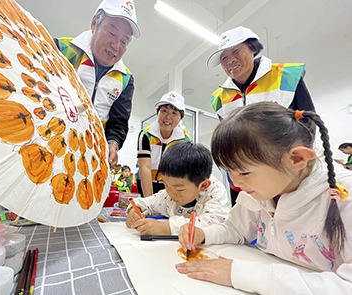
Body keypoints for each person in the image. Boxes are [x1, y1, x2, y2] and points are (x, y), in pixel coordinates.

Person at [176, 102, 352, 294]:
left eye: (244, 173)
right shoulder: (261, 190)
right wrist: (205, 234)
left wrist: (245, 275)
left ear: (296, 159)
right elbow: (235, 228)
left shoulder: (345, 196)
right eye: (229, 172)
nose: (234, 184)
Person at [207, 26, 316, 206]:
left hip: (284, 171)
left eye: (236, 51)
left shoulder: (286, 75)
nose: (230, 61)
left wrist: (291, 168)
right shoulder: (219, 98)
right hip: (244, 176)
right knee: (248, 221)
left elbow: (308, 123)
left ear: (252, 49)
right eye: (224, 58)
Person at [55, 0, 140, 168]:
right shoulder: (61, 51)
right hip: (52, 141)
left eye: (124, 42)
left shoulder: (125, 80)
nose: (116, 45)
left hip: (89, 155)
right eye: (112, 32)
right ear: (94, 23)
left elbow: (119, 122)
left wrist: (113, 143)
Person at [126, 141, 229, 235]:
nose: (171, 193)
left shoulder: (215, 192)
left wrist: (166, 228)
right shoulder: (169, 193)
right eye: (165, 184)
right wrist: (134, 211)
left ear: (203, 185)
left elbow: (214, 224)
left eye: (179, 189)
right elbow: (146, 203)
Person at [137, 91, 191, 197]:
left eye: (174, 113)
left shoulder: (184, 139)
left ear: (181, 117)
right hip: (146, 181)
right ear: (158, 112)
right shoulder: (146, 135)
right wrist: (149, 200)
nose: (168, 117)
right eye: (164, 111)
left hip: (169, 185)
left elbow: (181, 171)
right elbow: (145, 167)